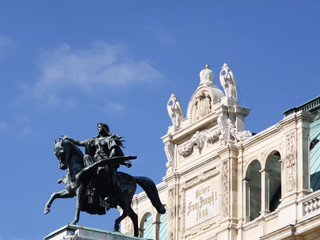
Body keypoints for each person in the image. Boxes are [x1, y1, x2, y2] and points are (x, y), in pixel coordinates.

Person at [63, 122, 131, 209]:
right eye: (97, 127)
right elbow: (80, 143)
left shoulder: (109, 139)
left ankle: (106, 194)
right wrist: (68, 138)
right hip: (95, 162)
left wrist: (109, 160)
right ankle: (89, 181)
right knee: (86, 157)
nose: (98, 129)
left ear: (104, 129)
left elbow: (113, 150)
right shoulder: (94, 140)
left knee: (101, 170)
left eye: (100, 127)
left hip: (106, 163)